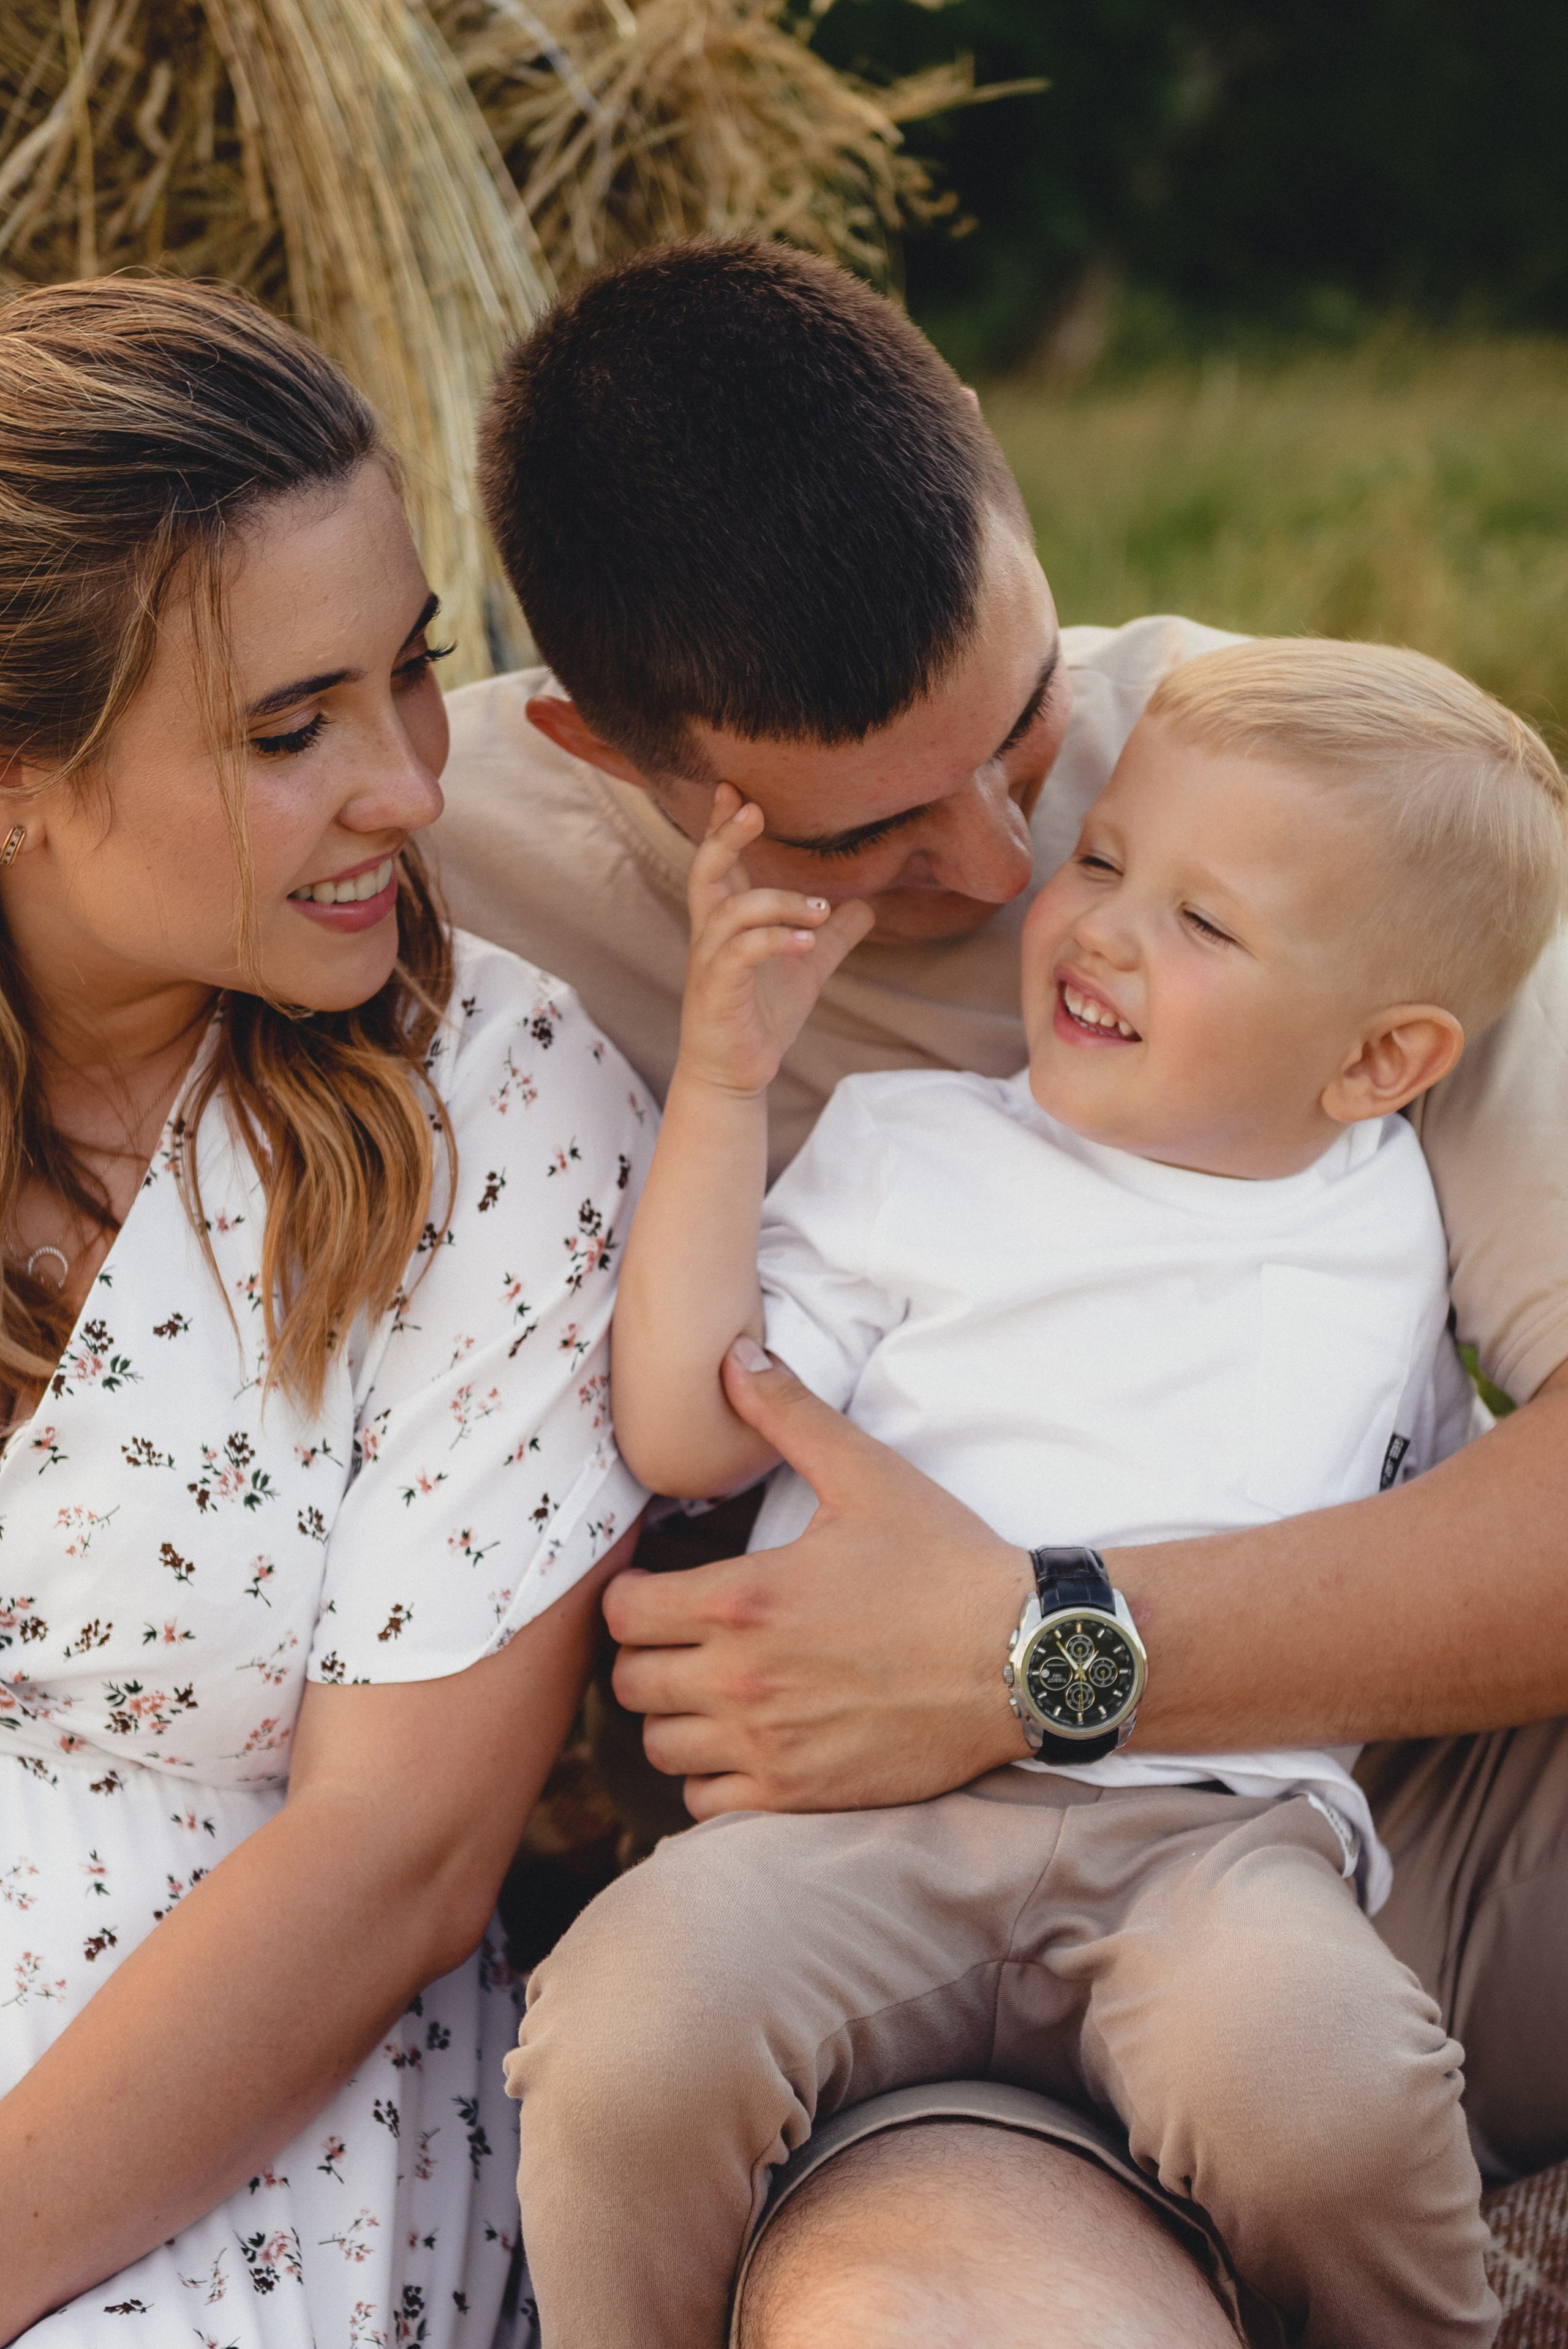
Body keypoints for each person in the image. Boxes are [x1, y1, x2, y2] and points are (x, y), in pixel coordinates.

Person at [429, 238, 1568, 2329]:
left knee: (1302, 2061)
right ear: (608, 754)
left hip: (1323, 1829)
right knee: (649, 2054)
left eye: (1028, 723)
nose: (1007, 860)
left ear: (1000, 472)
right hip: (871, 1889)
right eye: (865, 826)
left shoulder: (1296, 798)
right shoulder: (440, 862)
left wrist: (1038, 1647)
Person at [0, 278, 652, 2346]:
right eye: (292, 730)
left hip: (218, 2127)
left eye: (410, 676)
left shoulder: (497, 1112)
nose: (401, 786)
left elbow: (396, 1862)